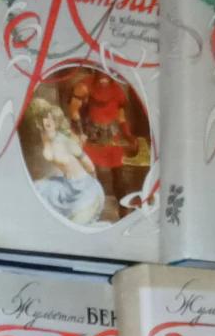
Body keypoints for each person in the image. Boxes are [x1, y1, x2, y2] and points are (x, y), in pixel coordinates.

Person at [68, 73, 142, 222]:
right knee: (88, 173)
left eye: (107, 76)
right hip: (90, 137)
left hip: (111, 138)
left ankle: (123, 210)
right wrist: (80, 133)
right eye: (101, 75)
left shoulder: (118, 91)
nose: (103, 79)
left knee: (119, 175)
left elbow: (121, 118)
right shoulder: (84, 86)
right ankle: (86, 211)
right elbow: (73, 110)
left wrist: (128, 136)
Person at [25, 98, 106, 226]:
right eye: (43, 125)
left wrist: (93, 183)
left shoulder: (67, 142)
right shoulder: (48, 140)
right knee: (39, 189)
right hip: (66, 185)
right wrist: (45, 136)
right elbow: (48, 154)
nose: (46, 127)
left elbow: (90, 166)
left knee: (77, 224)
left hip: (83, 187)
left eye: (49, 124)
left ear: (56, 124)